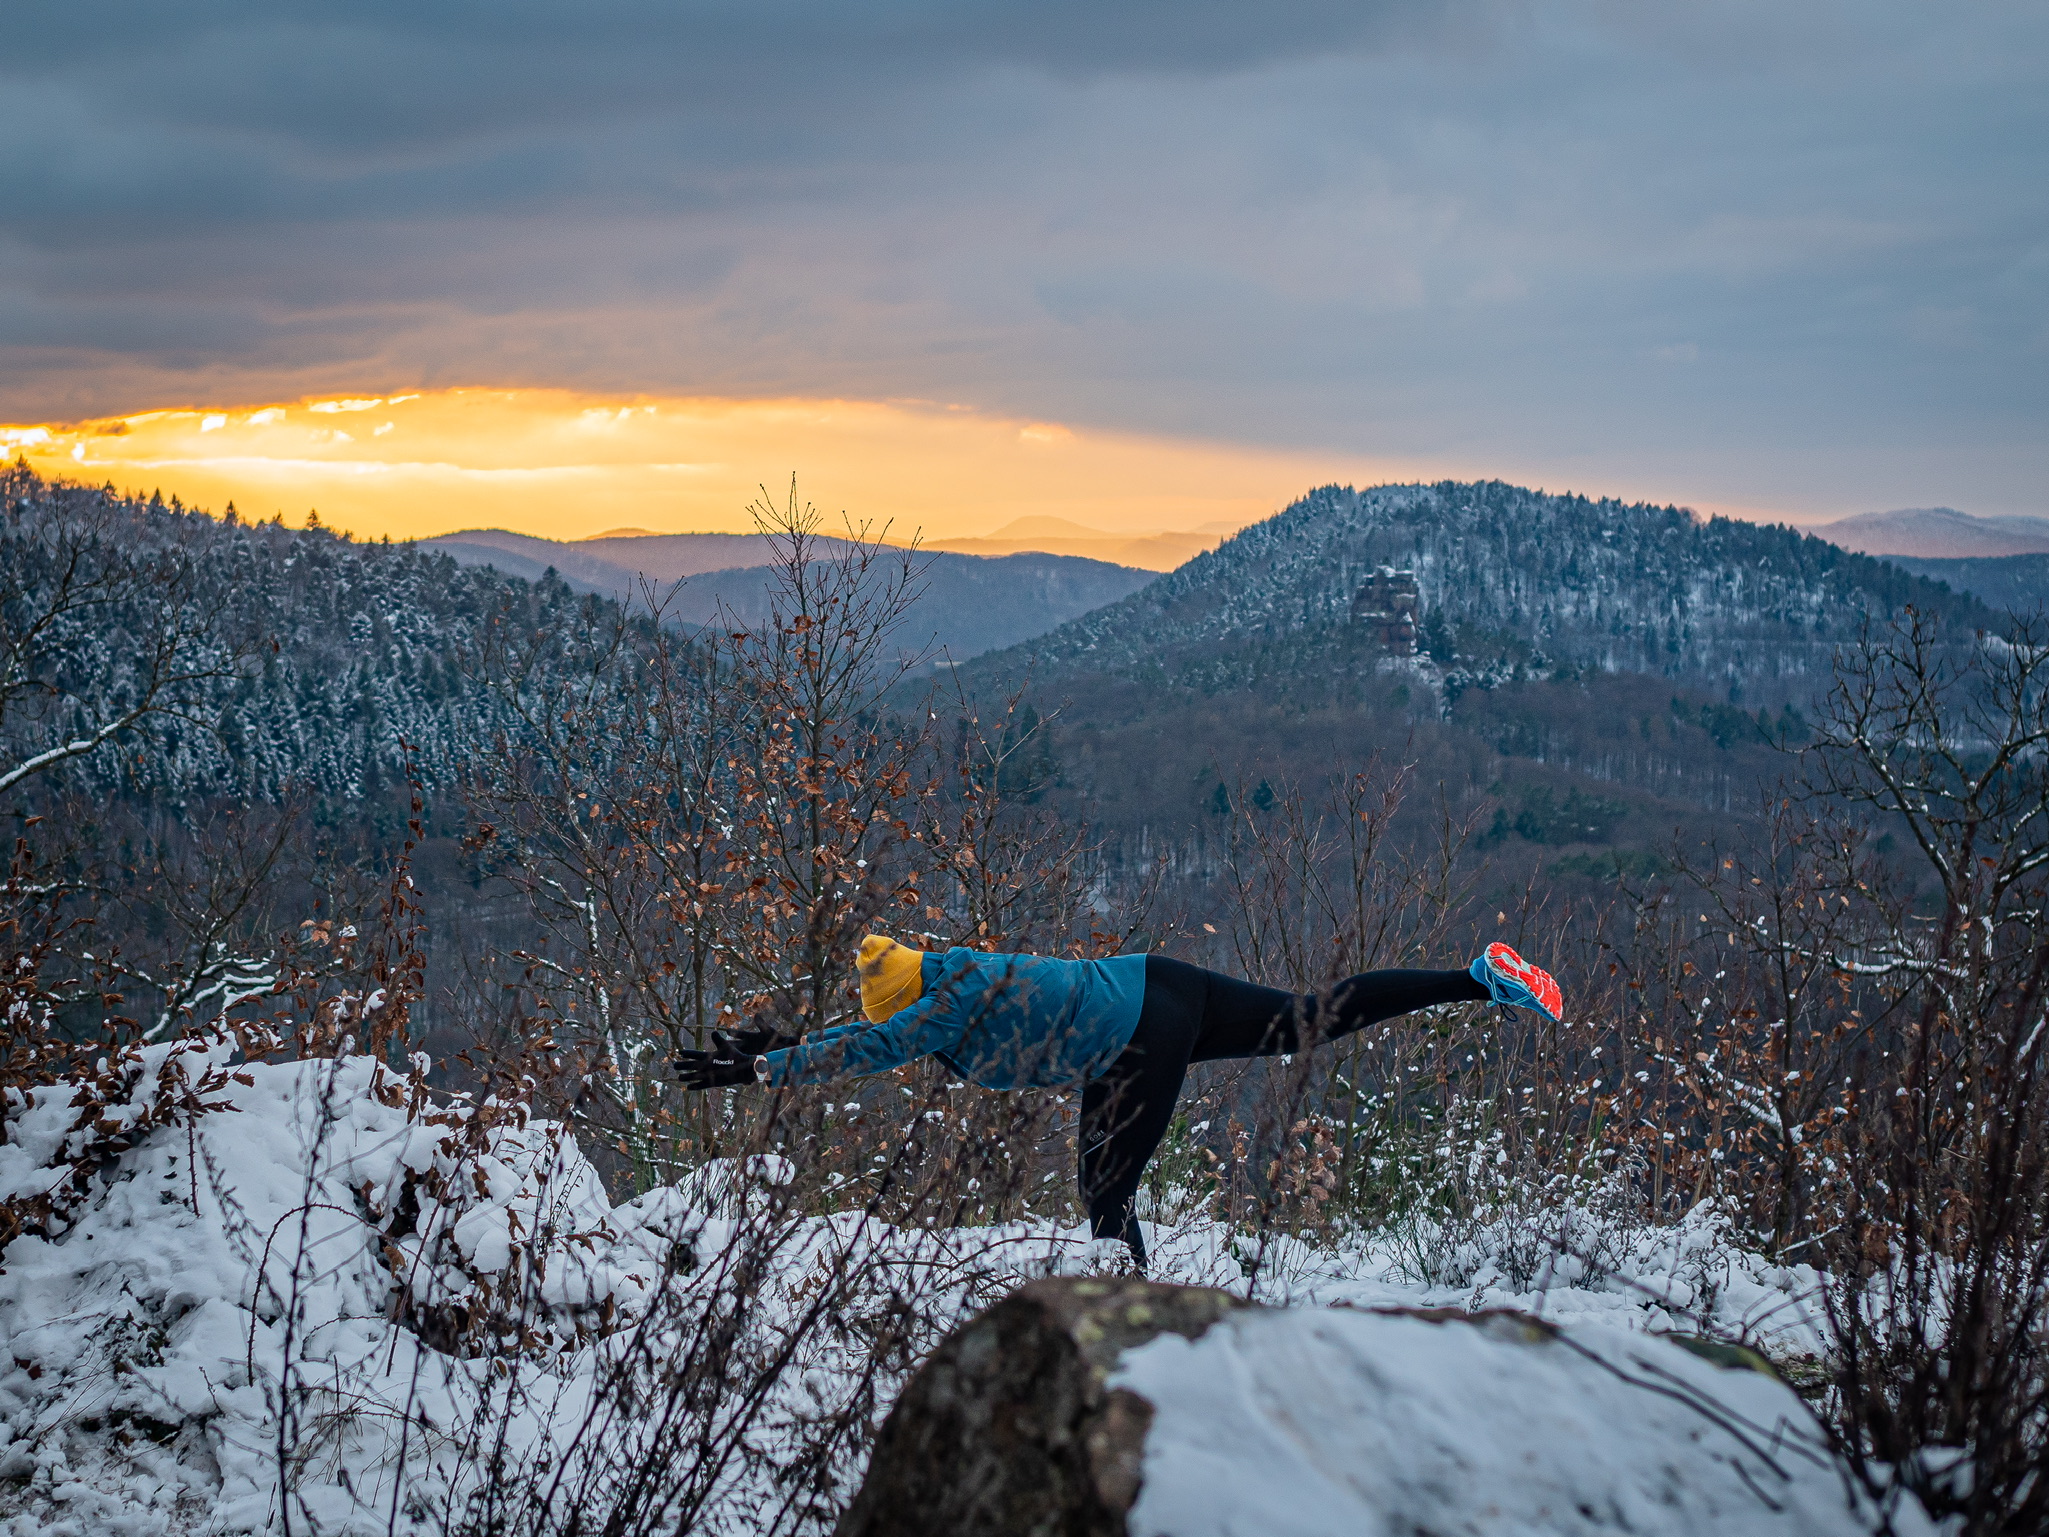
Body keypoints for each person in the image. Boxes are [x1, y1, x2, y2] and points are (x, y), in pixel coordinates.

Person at [674, 935, 1563, 1270]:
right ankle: (1478, 979)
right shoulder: (942, 972)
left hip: (1136, 1037)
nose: (907, 1029)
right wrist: (782, 1041)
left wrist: (764, 1071)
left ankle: (1133, 1317)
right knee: (1307, 1017)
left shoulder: (935, 1007)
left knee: (1105, 1196)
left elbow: (870, 1044)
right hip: (1152, 982)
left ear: (912, 1001)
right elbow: (871, 1024)